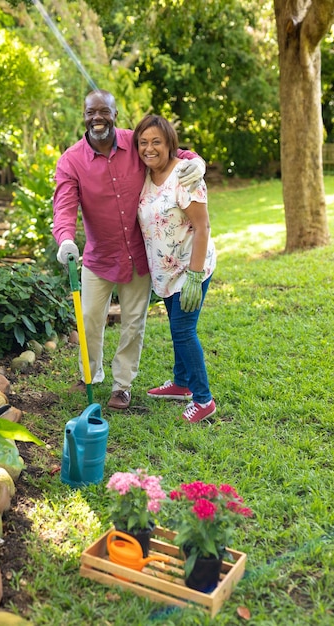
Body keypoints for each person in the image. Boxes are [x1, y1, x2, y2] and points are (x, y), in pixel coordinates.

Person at [52, 90, 206, 410]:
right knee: (90, 319)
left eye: (104, 112)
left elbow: (172, 152)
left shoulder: (135, 144)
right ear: (83, 116)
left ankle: (122, 386)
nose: (98, 118)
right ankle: (89, 376)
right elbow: (64, 208)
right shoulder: (71, 161)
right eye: (91, 112)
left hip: (139, 255)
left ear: (115, 113)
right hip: (99, 256)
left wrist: (197, 162)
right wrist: (66, 239)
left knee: (133, 323)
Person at [133, 114, 216, 423]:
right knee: (176, 327)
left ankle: (203, 399)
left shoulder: (184, 175)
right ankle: (181, 383)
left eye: (156, 141)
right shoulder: (144, 175)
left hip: (190, 268)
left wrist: (194, 278)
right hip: (165, 272)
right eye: (143, 142)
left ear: (170, 144)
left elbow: (202, 226)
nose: (149, 148)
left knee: (183, 331)